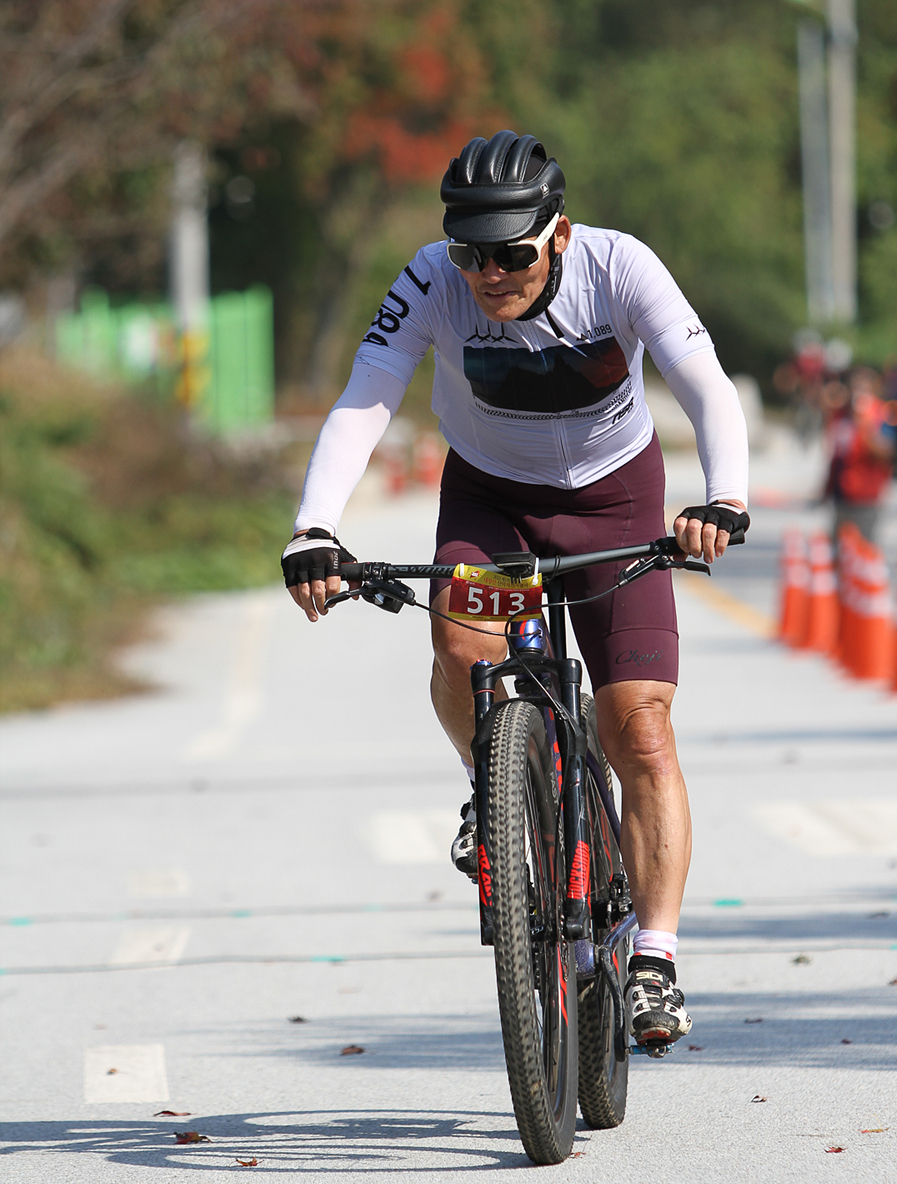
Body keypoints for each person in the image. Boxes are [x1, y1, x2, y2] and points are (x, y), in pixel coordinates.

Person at [280, 131, 750, 1050]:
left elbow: (705, 382)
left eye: (511, 254)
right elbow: (369, 392)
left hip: (614, 500)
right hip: (491, 500)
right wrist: (316, 526)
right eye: (471, 252)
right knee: (462, 647)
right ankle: (490, 790)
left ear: (559, 234)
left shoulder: (620, 267)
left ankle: (654, 958)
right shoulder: (431, 279)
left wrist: (723, 496)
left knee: (640, 728)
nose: (489, 274)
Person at [824, 366, 895, 547]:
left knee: (863, 548)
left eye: (863, 389)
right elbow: (835, 454)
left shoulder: (881, 414)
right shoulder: (840, 416)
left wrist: (864, 426)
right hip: (841, 494)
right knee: (838, 548)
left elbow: (885, 454)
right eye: (854, 388)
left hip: (867, 496)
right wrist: (826, 488)